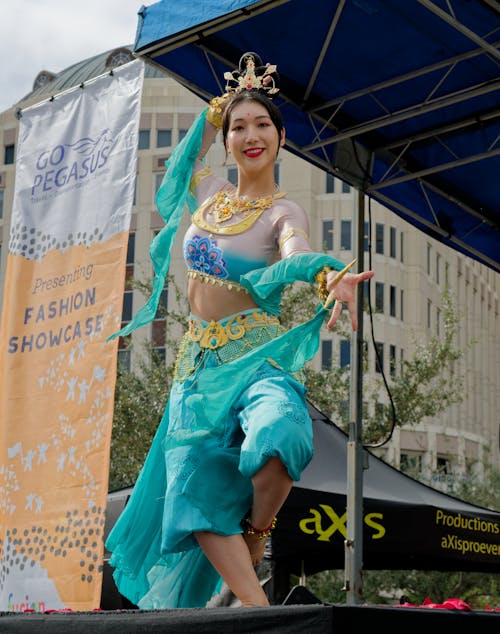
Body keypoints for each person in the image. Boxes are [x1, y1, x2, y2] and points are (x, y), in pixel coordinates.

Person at [105, 52, 374, 609]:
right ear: (227, 139)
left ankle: (255, 532)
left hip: (256, 356)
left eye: (262, 125)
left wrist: (324, 274)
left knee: (281, 435)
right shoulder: (209, 196)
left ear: (281, 136)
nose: (251, 136)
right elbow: (180, 168)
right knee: (193, 488)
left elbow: (292, 256)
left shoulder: (285, 214)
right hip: (197, 368)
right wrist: (210, 115)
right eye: (239, 127)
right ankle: (256, 613)